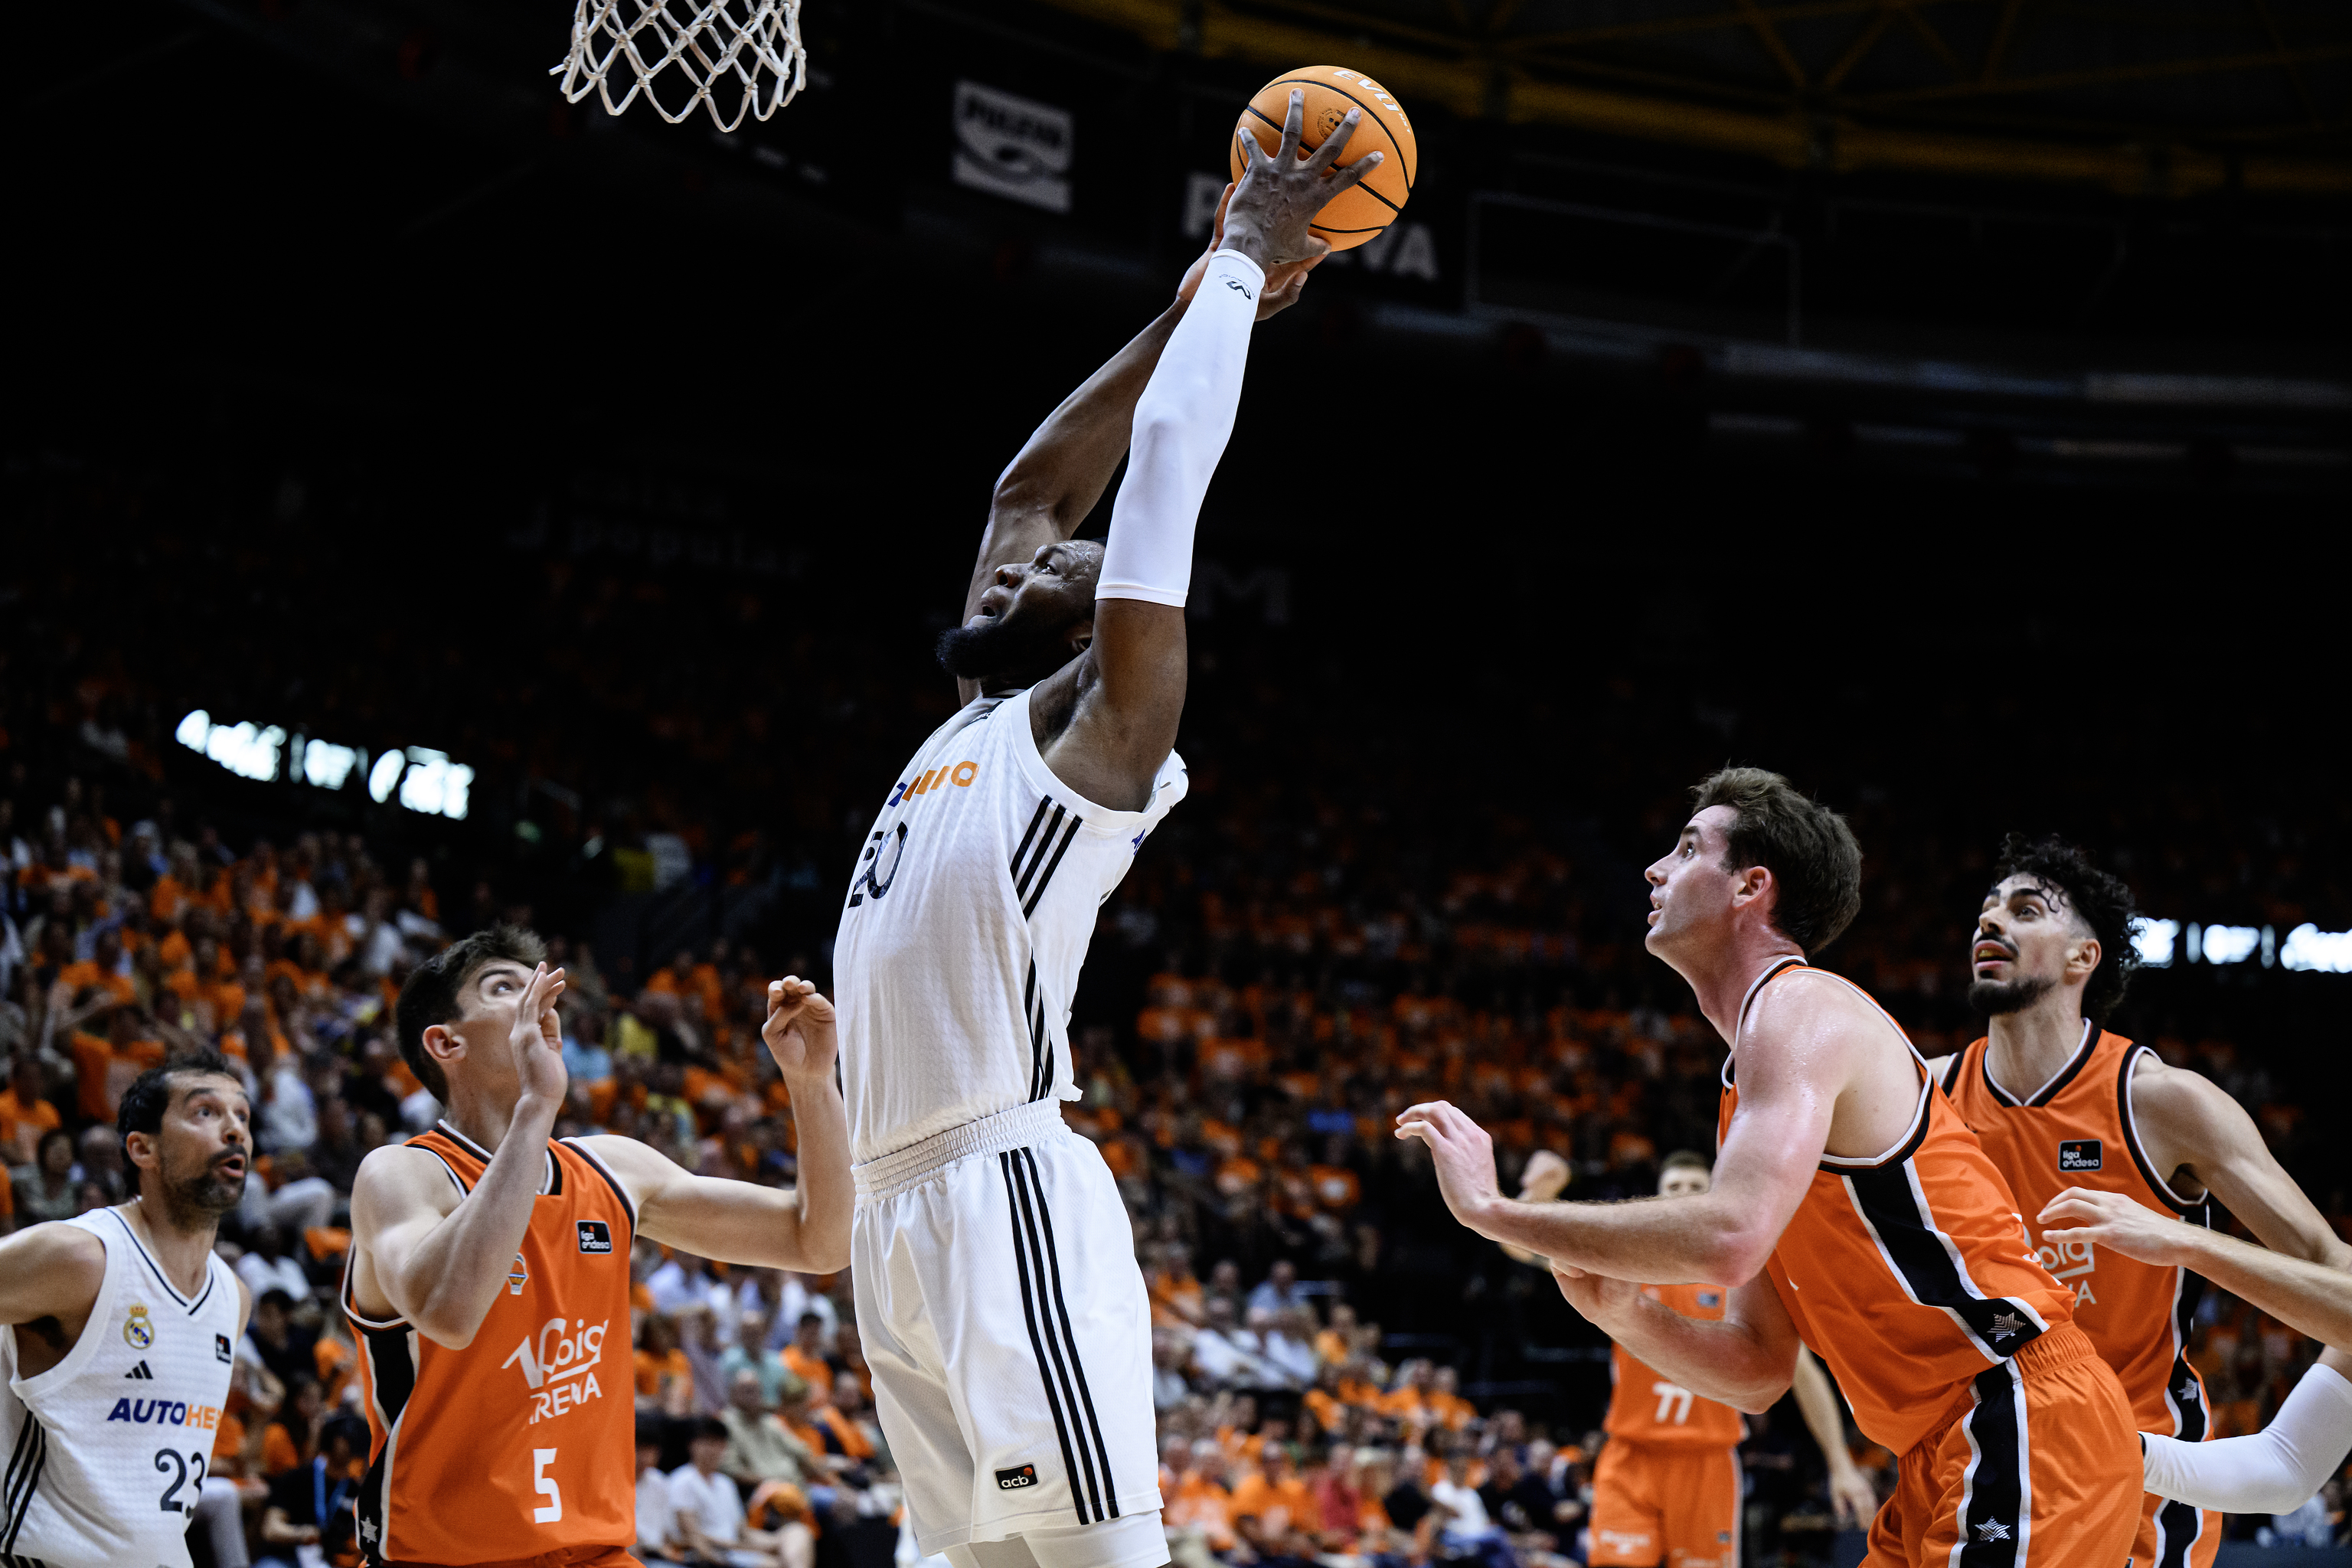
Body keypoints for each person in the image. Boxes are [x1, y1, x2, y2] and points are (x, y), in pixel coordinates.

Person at [829, 91, 1377, 1568]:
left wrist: (1253, 273)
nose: (1025, 565)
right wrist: (1204, 290)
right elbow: (1032, 487)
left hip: (1004, 1193)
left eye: (1065, 573)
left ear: (1099, 632)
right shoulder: (967, 708)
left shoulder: (1093, 741)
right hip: (895, 1215)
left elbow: (1156, 495)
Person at [1396, 768, 2143, 1567]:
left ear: (1753, 886)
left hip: (2021, 1405)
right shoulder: (1751, 1083)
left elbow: (1729, 1234)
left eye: (1687, 848)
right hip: (1941, 1445)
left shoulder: (1802, 1009)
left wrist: (1495, 1210)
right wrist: (1627, 1313)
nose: (1654, 869)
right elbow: (1757, 1367)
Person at [341, 926, 851, 1568]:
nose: (535, 996)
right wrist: (536, 1107)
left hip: (596, 1553)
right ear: (447, 1043)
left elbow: (820, 1241)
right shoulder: (401, 1175)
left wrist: (810, 1083)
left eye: (536, 982)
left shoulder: (613, 1168)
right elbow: (450, 1312)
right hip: (440, 1558)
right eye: (504, 988)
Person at [1928, 834, 2352, 1568]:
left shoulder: (2162, 1104)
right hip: (1971, 1465)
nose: (1990, 923)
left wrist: (2179, 1238)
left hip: (2139, 1487)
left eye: (2025, 910)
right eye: (1987, 910)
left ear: (2081, 959)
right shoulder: (1923, 1099)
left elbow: (2340, 1289)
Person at [1499, 1147, 1876, 1567]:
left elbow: (1802, 1375)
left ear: (1711, 1201)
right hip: (1631, 1454)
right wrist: (1536, 1194)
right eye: (1673, 1187)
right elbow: (1522, 1246)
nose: (1682, 1195)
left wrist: (1840, 1463)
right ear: (1655, 1201)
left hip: (1707, 1462)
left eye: (1695, 1188)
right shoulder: (1623, 1262)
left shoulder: (1742, 1280)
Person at [0, 1050, 253, 1568]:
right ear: (143, 1149)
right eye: (206, 1112)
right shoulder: (81, 1258)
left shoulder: (233, 1298)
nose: (234, 1130)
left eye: (243, 1116)